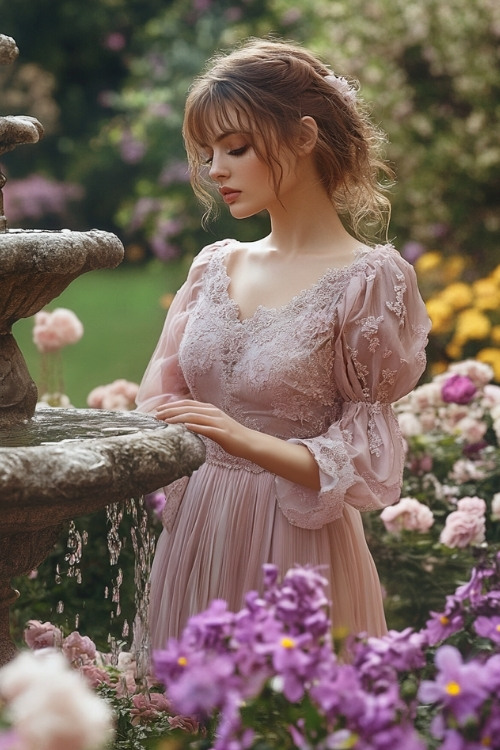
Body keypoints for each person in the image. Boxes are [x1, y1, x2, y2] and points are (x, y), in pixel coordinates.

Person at [136, 37, 431, 649]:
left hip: (295, 543)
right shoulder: (214, 266)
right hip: (197, 529)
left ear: (302, 136)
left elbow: (366, 457)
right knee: (182, 726)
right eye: (209, 152)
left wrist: (243, 438)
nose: (216, 170)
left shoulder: (371, 281)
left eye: (236, 148)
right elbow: (159, 400)